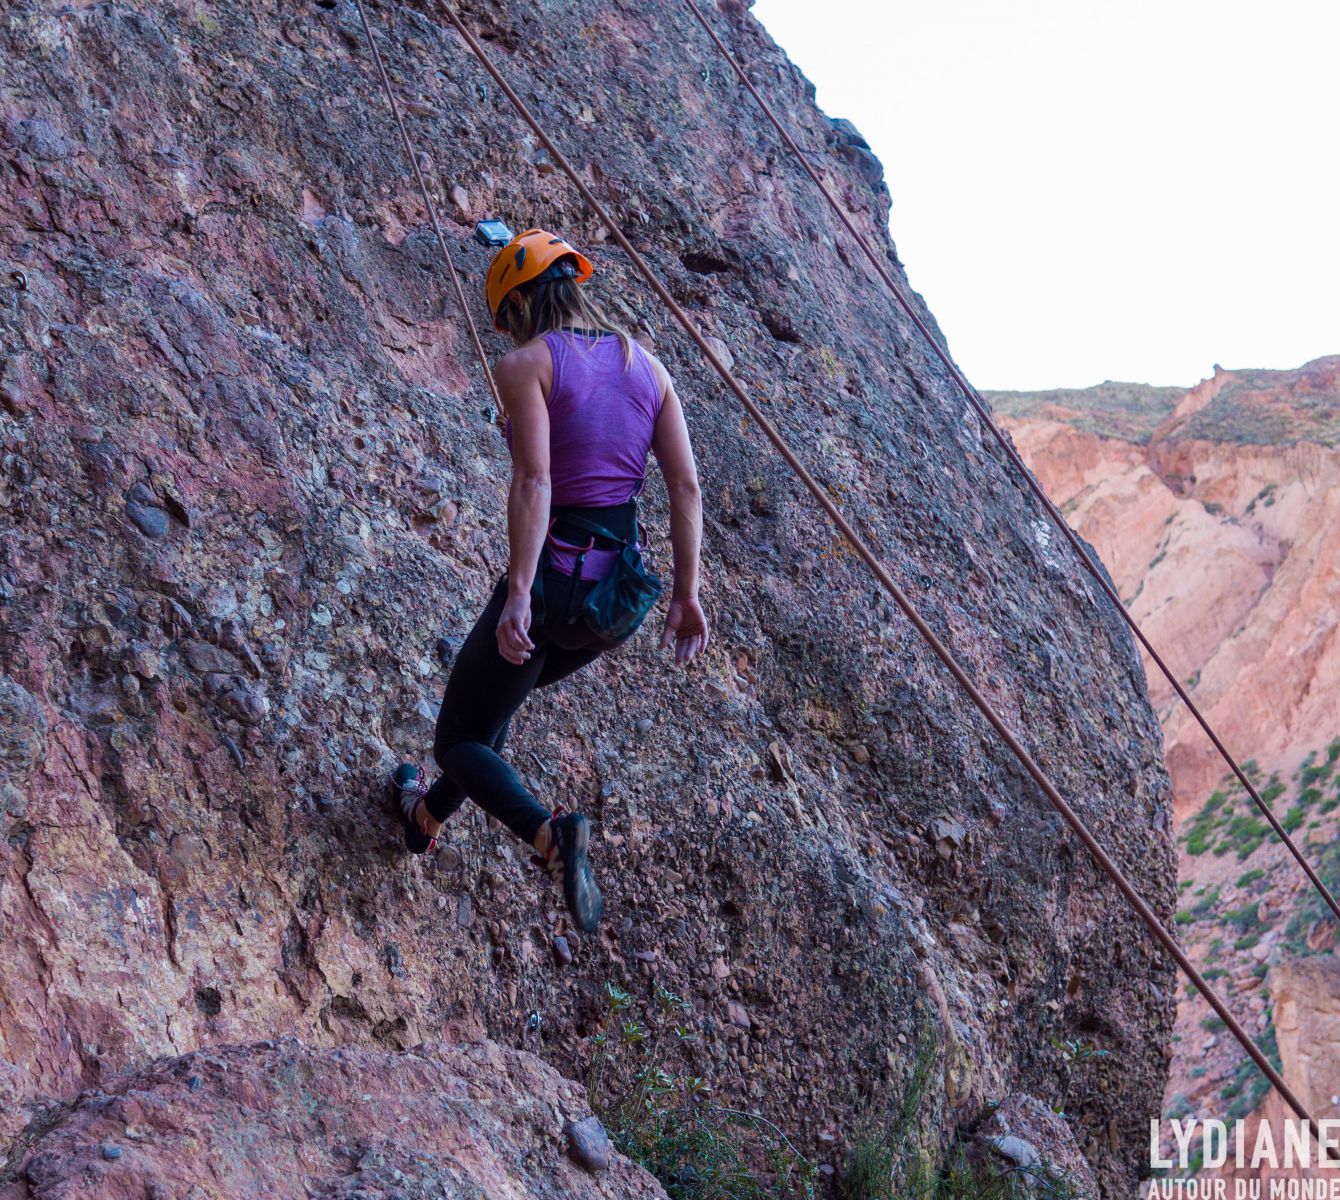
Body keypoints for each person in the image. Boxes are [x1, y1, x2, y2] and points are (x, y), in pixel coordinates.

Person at [391, 228, 708, 932]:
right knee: (495, 712)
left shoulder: (526, 364)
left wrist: (517, 594)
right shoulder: (645, 364)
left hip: (555, 582)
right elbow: (684, 488)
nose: (502, 332)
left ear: (516, 308)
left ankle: (548, 835)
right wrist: (686, 595)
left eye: (502, 319)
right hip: (614, 603)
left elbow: (535, 481)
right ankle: (422, 818)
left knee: (457, 742)